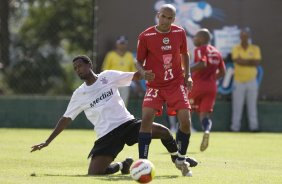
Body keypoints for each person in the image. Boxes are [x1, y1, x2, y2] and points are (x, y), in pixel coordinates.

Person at [30, 55, 197, 176]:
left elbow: (136, 76)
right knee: (94, 173)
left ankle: (177, 159)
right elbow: (66, 119)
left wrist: (148, 67)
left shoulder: (107, 76)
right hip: (107, 135)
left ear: (89, 65)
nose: (77, 70)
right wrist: (47, 141)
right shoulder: (79, 94)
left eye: (80, 66)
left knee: (164, 132)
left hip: (127, 124)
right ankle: (122, 165)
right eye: (75, 68)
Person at [136, 4, 194, 176]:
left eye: (170, 18)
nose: (166, 21)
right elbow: (138, 61)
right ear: (157, 15)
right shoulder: (145, 36)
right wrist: (143, 72)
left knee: (186, 120)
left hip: (175, 83)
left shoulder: (179, 32)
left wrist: (188, 75)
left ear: (174, 19)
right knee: (146, 119)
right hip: (155, 85)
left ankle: (181, 159)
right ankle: (143, 164)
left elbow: (185, 54)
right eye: (163, 16)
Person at [190, 29, 226, 151]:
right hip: (211, 87)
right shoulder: (217, 52)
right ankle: (206, 130)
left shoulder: (200, 49)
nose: (194, 39)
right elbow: (223, 72)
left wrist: (186, 71)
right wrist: (211, 79)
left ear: (201, 38)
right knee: (204, 115)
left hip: (197, 86)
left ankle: (181, 142)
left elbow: (202, 64)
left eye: (195, 37)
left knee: (185, 112)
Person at [230, 28, 262, 132]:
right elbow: (237, 61)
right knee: (237, 106)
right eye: (242, 35)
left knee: (252, 106)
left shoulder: (255, 48)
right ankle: (235, 128)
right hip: (238, 81)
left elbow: (256, 63)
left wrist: (243, 61)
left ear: (249, 37)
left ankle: (254, 127)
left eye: (246, 35)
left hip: (252, 81)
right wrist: (249, 61)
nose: (244, 37)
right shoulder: (235, 48)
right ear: (240, 37)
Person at [102, 35, 136, 106]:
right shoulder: (110, 55)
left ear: (126, 44)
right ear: (116, 44)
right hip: (112, 83)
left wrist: (135, 84)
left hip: (125, 83)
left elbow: (133, 71)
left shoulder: (130, 55)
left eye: (123, 43)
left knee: (123, 105)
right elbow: (104, 70)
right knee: (111, 105)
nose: (122, 45)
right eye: (120, 43)